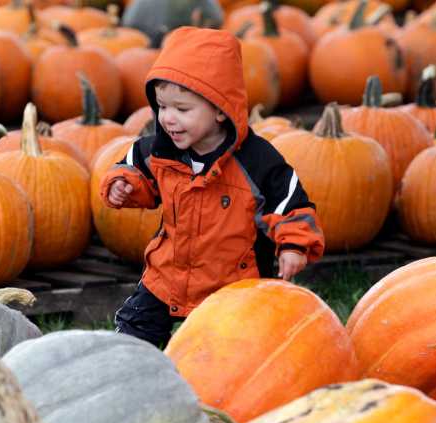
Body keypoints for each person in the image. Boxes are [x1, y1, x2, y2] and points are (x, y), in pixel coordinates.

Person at [100, 26, 325, 348]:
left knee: (227, 351)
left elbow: (288, 202)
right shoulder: (156, 150)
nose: (168, 119)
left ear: (220, 109)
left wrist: (293, 245)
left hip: (231, 283)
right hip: (168, 273)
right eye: (162, 107)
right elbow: (134, 172)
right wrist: (122, 185)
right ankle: (130, 374)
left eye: (182, 109)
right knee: (134, 335)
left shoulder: (257, 161)